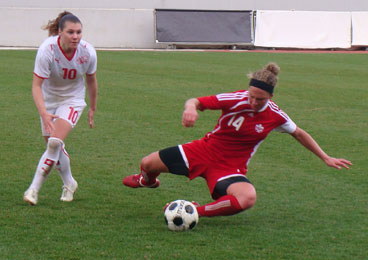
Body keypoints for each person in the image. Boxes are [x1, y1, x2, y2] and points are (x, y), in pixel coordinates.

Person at [122, 62, 351, 217]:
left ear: (271, 96)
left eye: (260, 99)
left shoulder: (275, 115)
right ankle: (146, 181)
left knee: (247, 198)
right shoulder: (234, 99)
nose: (253, 102)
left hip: (230, 168)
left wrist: (325, 157)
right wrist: (189, 109)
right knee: (147, 163)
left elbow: (298, 133)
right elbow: (196, 101)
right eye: (251, 96)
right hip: (202, 151)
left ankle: (194, 210)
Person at [23, 11, 98, 205]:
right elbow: (36, 86)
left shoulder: (88, 52)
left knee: (54, 142)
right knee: (54, 146)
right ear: (59, 32)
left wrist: (92, 108)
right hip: (48, 101)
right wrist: (43, 113)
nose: (75, 36)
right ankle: (69, 183)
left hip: (72, 100)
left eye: (79, 32)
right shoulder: (47, 50)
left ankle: (33, 189)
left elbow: (91, 81)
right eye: (71, 32)